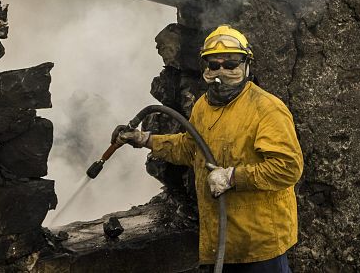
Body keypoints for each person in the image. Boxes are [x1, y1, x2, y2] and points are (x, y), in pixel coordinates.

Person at [112, 25, 303, 272]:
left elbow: (288, 168)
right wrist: (145, 139)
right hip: (220, 241)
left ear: (246, 65)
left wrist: (233, 177)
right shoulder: (203, 106)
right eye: (214, 64)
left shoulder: (266, 109)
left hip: (259, 244)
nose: (221, 71)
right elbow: (191, 148)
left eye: (231, 64)